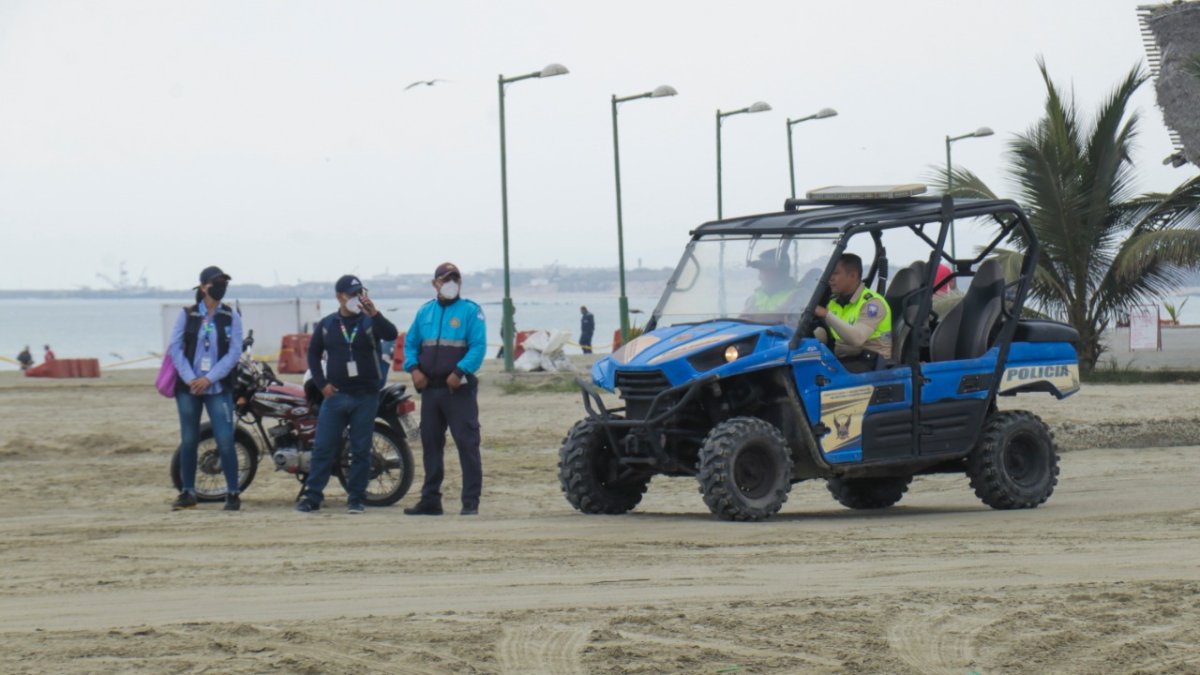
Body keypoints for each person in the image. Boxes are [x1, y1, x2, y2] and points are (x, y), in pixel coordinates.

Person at [296, 275, 399, 514]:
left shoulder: (369, 321)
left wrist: (375, 313)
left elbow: (391, 333)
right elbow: (313, 355)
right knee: (323, 447)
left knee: (361, 449)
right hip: (336, 395)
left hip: (365, 395)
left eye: (359, 293)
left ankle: (356, 498)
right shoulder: (327, 325)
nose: (356, 298)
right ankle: (312, 497)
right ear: (339, 297)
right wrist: (322, 385)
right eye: (352, 294)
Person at [403, 263, 487, 516]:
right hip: (431, 390)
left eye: (455, 279)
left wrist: (459, 371)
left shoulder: (471, 311)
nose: (451, 283)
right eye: (446, 279)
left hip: (458, 391)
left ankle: (470, 502)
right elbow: (410, 345)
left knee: (467, 444)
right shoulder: (425, 311)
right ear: (435, 284)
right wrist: (414, 369)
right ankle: (431, 500)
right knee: (431, 445)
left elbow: (478, 346)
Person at [167, 266, 244, 511]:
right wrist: (191, 378)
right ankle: (188, 491)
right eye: (216, 282)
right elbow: (175, 348)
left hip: (218, 387)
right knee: (189, 439)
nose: (221, 286)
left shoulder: (231, 316)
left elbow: (234, 353)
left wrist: (209, 378)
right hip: (188, 387)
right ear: (203, 287)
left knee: (225, 438)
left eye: (224, 282)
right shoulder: (188, 314)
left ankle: (233, 492)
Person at [814, 253, 892, 373]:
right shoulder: (833, 302)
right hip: (845, 359)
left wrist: (826, 315)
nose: (830, 278)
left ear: (853, 275)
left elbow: (857, 338)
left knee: (818, 375)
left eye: (835, 273)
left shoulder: (873, 304)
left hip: (872, 363)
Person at [741, 248, 806, 324]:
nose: (760, 278)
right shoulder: (754, 297)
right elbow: (741, 320)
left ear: (779, 273)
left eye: (764, 272)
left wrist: (753, 317)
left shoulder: (799, 295)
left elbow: (785, 317)